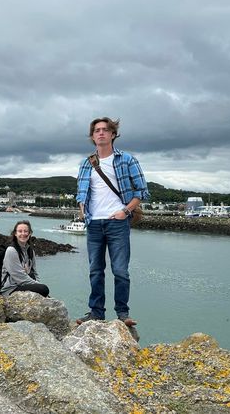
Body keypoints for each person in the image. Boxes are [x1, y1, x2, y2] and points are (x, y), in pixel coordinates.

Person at [75, 117, 149, 327]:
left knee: (120, 270)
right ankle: (96, 312)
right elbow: (81, 192)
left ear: (113, 134)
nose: (101, 133)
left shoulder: (127, 160)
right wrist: (83, 210)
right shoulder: (86, 163)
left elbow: (142, 191)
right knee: (95, 270)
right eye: (97, 130)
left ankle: (122, 314)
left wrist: (125, 211)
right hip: (94, 223)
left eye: (105, 130)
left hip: (117, 222)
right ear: (92, 136)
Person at [0, 220, 49, 297]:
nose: (23, 234)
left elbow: (35, 272)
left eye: (26, 231)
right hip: (10, 289)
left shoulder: (30, 251)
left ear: (30, 234)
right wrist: (40, 286)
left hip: (22, 285)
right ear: (15, 234)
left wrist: (38, 284)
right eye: (20, 231)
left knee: (43, 289)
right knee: (44, 289)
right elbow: (20, 278)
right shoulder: (11, 250)